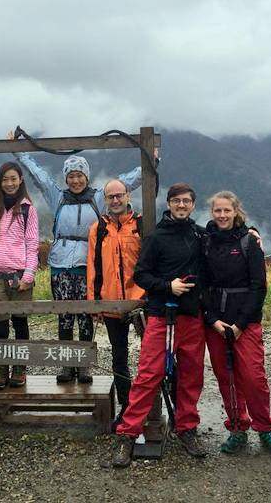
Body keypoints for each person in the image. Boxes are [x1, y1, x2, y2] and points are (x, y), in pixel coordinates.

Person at [10, 131, 148, 384]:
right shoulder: (58, 197)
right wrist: (19, 152)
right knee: (64, 314)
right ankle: (66, 364)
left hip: (88, 265)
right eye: (71, 176)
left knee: (85, 314)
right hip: (60, 264)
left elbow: (127, 182)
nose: (75, 180)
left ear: (87, 176)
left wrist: (151, 159)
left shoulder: (98, 197)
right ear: (66, 178)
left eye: (79, 175)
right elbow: (38, 176)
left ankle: (83, 364)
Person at [112, 183, 206, 468]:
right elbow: (141, 275)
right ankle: (128, 435)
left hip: (192, 316)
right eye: (176, 201)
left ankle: (187, 428)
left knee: (191, 375)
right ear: (169, 203)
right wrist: (168, 286)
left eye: (186, 201)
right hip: (161, 315)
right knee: (148, 376)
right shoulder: (156, 237)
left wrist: (253, 233)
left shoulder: (200, 234)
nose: (181, 205)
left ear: (192, 204)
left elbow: (226, 233)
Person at [204, 191, 271, 457]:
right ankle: (237, 427)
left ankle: (264, 427)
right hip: (216, 321)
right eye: (218, 211)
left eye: (227, 210)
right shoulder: (206, 242)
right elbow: (203, 285)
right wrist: (213, 319)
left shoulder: (249, 242)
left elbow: (258, 286)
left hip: (246, 322)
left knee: (253, 377)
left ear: (236, 211)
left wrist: (239, 324)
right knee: (225, 377)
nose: (223, 215)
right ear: (212, 213)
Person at [0, 162, 39, 390]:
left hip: (20, 273)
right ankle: (0, 367)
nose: (9, 184)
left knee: (20, 322)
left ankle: (20, 367)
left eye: (13, 178)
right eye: (5, 179)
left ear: (21, 179)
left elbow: (32, 244)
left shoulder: (28, 208)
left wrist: (29, 274)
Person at [86, 178, 145, 430]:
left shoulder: (142, 225)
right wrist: (94, 303)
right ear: (105, 199)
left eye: (119, 195)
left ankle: (152, 408)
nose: (116, 200)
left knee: (150, 359)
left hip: (140, 302)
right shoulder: (97, 229)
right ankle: (127, 407)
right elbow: (92, 267)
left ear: (128, 195)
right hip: (110, 303)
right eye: (111, 197)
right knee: (119, 358)